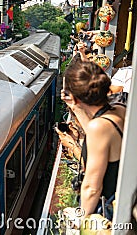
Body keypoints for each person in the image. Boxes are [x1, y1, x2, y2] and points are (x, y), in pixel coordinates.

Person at [61, 61, 126, 222]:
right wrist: (75, 107)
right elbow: (96, 134)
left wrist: (81, 220)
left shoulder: (100, 127)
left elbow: (92, 188)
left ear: (75, 97)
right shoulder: (119, 108)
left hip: (111, 210)